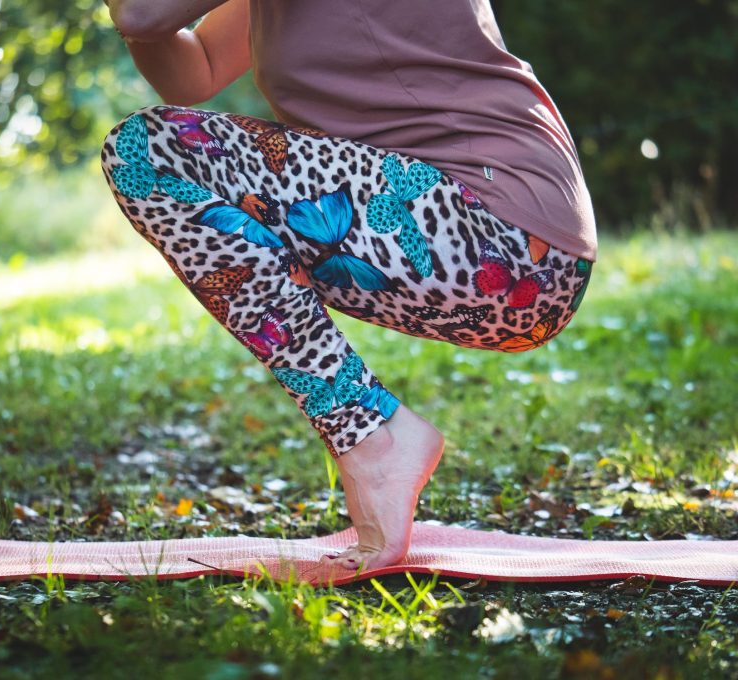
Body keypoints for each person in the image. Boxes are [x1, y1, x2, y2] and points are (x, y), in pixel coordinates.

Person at [102, 0, 597, 571]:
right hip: (499, 252)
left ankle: (369, 434)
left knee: (148, 149)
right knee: (154, 150)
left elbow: (143, 13)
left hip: (503, 232)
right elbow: (194, 71)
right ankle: (367, 432)